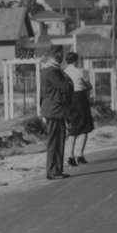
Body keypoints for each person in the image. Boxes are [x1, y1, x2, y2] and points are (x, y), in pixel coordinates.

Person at [40, 45, 73, 180]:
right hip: (55, 109)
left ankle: (57, 170)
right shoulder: (53, 71)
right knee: (55, 141)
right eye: (61, 53)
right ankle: (53, 171)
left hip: (52, 109)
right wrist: (69, 80)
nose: (63, 56)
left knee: (58, 140)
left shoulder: (48, 70)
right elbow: (66, 87)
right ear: (57, 55)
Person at [63, 52, 95, 166]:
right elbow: (89, 86)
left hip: (68, 100)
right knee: (84, 127)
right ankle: (79, 154)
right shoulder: (80, 71)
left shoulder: (63, 72)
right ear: (76, 60)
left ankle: (70, 155)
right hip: (80, 99)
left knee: (72, 129)